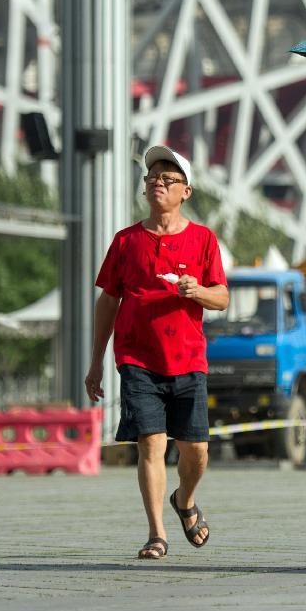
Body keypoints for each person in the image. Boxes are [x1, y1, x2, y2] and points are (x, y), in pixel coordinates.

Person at [85, 145, 229, 560]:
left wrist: (196, 291)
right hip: (137, 360)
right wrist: (97, 360)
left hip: (188, 360)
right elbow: (107, 301)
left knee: (196, 451)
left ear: (187, 191)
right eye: (151, 178)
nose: (157, 184)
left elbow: (221, 298)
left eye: (168, 180)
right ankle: (156, 534)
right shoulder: (126, 241)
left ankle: (184, 500)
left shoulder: (203, 239)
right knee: (150, 444)